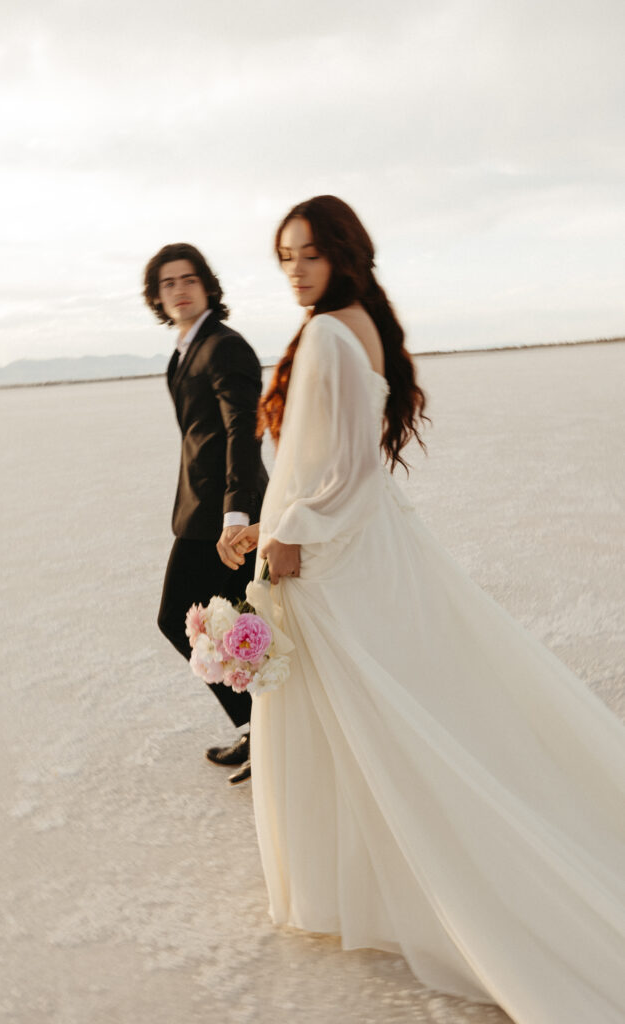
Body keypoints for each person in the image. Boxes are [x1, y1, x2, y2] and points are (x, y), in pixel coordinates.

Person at [220, 196, 625, 1020]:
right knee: (394, 707)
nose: (295, 270)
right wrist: (275, 522)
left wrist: (285, 536)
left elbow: (340, 472)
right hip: (351, 543)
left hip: (328, 558)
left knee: (379, 715)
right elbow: (337, 469)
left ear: (342, 254)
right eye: (285, 257)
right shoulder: (359, 322)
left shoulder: (332, 332)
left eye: (307, 254)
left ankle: (389, 887)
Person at [143, 242, 268, 785]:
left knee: (204, 621)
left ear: (207, 285)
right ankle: (263, 731)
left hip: (227, 518)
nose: (179, 289)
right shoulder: (185, 349)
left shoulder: (223, 346)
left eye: (188, 278)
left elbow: (246, 427)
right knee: (229, 626)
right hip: (200, 513)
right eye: (168, 283)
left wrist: (236, 513)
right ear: (157, 296)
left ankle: (268, 734)